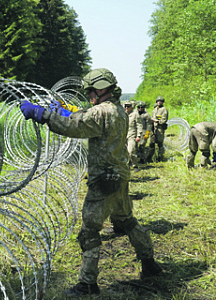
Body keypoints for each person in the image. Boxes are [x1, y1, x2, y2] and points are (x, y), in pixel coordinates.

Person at [20, 68, 162, 296]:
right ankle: (150, 264)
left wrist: (44, 115)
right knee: (127, 221)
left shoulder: (101, 112)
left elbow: (75, 127)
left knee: (89, 231)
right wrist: (66, 112)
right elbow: (85, 119)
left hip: (103, 180)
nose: (89, 96)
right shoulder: (118, 110)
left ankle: (87, 283)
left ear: (102, 88)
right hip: (120, 176)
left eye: (90, 91)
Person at [146, 96, 169, 162]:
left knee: (160, 144)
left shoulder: (164, 109)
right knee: (151, 143)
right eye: (158, 101)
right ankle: (150, 157)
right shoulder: (155, 109)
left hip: (160, 129)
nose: (159, 102)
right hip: (153, 129)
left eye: (160, 101)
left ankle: (160, 157)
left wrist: (156, 121)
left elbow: (164, 120)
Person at [125, 100, 143, 171]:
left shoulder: (135, 114)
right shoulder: (122, 114)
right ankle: (127, 165)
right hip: (124, 136)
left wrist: (138, 135)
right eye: (125, 106)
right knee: (124, 152)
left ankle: (135, 164)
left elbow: (139, 125)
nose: (126, 108)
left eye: (128, 106)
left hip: (132, 135)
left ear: (131, 107)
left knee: (131, 151)